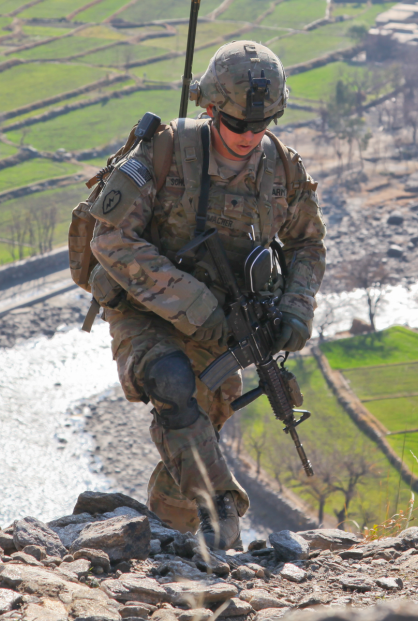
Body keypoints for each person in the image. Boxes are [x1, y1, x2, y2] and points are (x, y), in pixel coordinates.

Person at [83, 40, 326, 551]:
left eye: (260, 125)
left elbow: (307, 244)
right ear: (210, 108)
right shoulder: (164, 153)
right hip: (147, 309)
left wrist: (295, 308)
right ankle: (224, 511)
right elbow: (109, 239)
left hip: (226, 323)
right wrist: (193, 304)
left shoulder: (282, 170)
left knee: (190, 443)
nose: (248, 135)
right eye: (235, 123)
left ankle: (168, 544)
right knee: (170, 383)